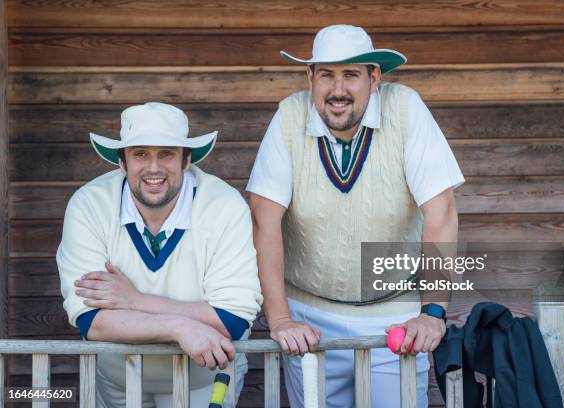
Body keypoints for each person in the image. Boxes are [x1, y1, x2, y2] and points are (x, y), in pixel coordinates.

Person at [247, 25, 464, 407]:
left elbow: (441, 209)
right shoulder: (288, 115)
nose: (338, 90)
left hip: (394, 315)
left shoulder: (405, 108)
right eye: (326, 75)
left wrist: (432, 311)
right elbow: (264, 219)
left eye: (351, 75)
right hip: (309, 318)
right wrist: (280, 319)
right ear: (310, 77)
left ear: (374, 78)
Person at [56, 102, 262, 407]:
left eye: (166, 153)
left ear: (185, 161)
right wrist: (179, 327)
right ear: (122, 163)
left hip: (203, 382)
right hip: (117, 383)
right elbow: (92, 321)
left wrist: (135, 301)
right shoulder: (89, 205)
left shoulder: (224, 206)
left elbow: (231, 319)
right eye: (140, 154)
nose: (153, 167)